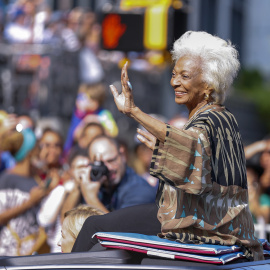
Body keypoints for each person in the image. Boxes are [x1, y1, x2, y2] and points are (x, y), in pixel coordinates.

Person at [71, 31, 264, 261]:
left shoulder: (210, 119)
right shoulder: (222, 117)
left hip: (205, 229)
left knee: (94, 225)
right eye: (174, 74)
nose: (174, 82)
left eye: (184, 76)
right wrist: (164, 147)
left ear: (209, 85)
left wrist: (134, 111)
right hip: (208, 224)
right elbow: (197, 157)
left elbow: (190, 145)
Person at [0, 128, 57, 256]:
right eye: (38, 147)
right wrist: (29, 203)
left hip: (34, 253)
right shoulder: (6, 179)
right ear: (30, 153)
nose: (41, 151)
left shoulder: (35, 178)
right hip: (9, 255)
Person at [75, 135, 157, 214]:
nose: (108, 168)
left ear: (122, 155)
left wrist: (91, 198)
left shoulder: (141, 190)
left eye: (111, 160)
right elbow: (65, 221)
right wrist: (77, 187)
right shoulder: (94, 185)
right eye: (101, 164)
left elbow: (120, 228)